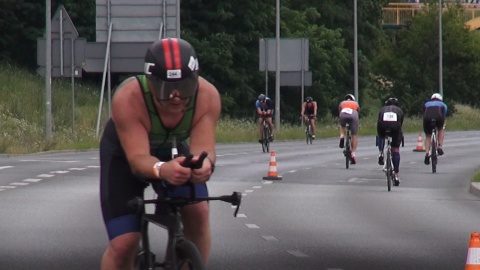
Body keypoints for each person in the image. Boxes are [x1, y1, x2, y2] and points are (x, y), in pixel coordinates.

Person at [99, 38, 219, 270]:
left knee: (199, 211)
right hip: (124, 156)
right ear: (150, 83)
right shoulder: (128, 97)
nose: (175, 97)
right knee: (124, 244)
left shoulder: (207, 96)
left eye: (184, 88)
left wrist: (203, 166)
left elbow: (204, 150)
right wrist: (162, 170)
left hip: (171, 150)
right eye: (165, 89)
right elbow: (138, 161)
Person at [376, 97, 404, 186]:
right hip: (395, 126)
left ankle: (381, 152)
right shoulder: (399, 110)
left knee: (380, 135)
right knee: (395, 149)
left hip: (383, 125)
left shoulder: (382, 109)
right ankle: (396, 174)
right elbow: (400, 124)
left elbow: (379, 120)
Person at [423, 93, 448, 165]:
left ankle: (427, 153)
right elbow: (443, 116)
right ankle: (439, 146)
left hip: (427, 119)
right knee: (441, 129)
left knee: (428, 135)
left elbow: (424, 113)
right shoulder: (443, 105)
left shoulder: (426, 104)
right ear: (440, 99)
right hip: (439, 118)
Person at [338, 94, 360, 164]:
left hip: (343, 114)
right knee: (354, 135)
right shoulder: (356, 103)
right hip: (353, 115)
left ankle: (342, 136)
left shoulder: (342, 103)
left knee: (342, 126)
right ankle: (353, 154)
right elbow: (358, 112)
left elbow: (339, 111)